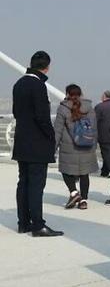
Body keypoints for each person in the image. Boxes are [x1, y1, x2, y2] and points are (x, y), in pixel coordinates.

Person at [12, 51, 63, 237]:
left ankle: (23, 223)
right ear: (46, 67)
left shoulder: (18, 84)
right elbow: (42, 117)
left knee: (23, 182)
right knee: (36, 185)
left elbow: (16, 112)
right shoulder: (39, 85)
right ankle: (38, 225)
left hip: (22, 141)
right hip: (37, 144)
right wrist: (50, 136)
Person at [53, 84, 99, 210]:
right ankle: (83, 201)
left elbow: (57, 131)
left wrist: (53, 148)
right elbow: (94, 128)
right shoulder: (89, 107)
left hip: (69, 147)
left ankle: (74, 193)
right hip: (86, 146)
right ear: (80, 94)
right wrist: (93, 145)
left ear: (67, 94)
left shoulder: (63, 108)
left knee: (66, 170)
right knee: (84, 174)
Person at [94, 90, 110, 177]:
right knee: (109, 153)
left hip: (103, 134)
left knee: (106, 154)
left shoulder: (99, 107)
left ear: (104, 96)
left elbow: (94, 120)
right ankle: (105, 171)